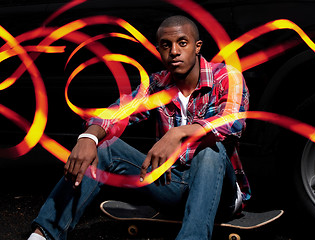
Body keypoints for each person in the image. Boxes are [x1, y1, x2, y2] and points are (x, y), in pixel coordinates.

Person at [28, 15, 250, 240]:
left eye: (182, 43)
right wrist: (89, 137)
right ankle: (44, 234)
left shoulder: (227, 77)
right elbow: (120, 111)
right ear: (159, 50)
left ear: (197, 47)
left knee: (209, 151)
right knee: (104, 147)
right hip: (173, 187)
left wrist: (179, 133)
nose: (174, 51)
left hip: (220, 192)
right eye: (166, 45)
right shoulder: (157, 84)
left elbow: (231, 122)